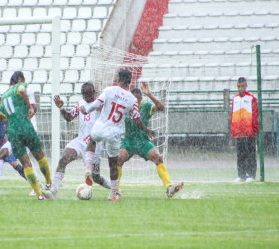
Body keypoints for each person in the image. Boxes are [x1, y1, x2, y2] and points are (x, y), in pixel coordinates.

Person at [80, 69, 156, 201]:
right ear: (130, 82)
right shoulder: (132, 99)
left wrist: (86, 111)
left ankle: (88, 166)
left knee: (92, 140)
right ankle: (113, 194)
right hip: (114, 132)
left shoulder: (109, 90)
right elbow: (137, 119)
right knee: (113, 163)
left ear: (118, 79)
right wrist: (146, 129)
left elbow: (96, 104)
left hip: (101, 126)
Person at [117, 82, 183, 198]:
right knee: (119, 158)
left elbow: (162, 108)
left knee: (157, 157)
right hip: (129, 141)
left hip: (143, 142)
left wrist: (149, 94)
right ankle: (115, 190)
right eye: (132, 99)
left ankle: (169, 187)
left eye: (136, 99)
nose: (134, 102)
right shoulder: (125, 107)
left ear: (141, 99)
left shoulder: (146, 106)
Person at [51, 82, 111, 198]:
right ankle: (53, 190)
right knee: (63, 159)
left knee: (96, 178)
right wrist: (61, 107)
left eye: (88, 95)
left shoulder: (100, 105)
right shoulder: (81, 104)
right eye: (83, 95)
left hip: (95, 146)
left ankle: (115, 188)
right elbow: (69, 118)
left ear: (93, 92)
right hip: (80, 141)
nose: (85, 97)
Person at [0, 71, 52, 200]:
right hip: (25, 126)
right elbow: (22, 90)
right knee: (39, 156)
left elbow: (0, 117)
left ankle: (39, 194)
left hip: (13, 131)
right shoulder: (19, 87)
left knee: (26, 163)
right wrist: (30, 107)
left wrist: (11, 119)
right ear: (19, 80)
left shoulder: (3, 96)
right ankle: (49, 182)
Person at [0, 86, 43, 196]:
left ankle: (38, 185)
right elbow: (1, 116)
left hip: (26, 133)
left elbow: (33, 109)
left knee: (24, 160)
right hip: (16, 135)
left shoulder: (25, 99)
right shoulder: (11, 103)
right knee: (0, 155)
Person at [231, 77, 259, 182]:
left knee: (250, 154)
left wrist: (255, 128)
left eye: (242, 86)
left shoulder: (251, 98)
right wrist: (233, 129)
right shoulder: (235, 99)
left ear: (246, 86)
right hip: (239, 132)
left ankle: (251, 175)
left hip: (249, 132)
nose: (240, 88)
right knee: (240, 154)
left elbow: (255, 114)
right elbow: (233, 115)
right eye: (239, 86)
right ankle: (241, 175)